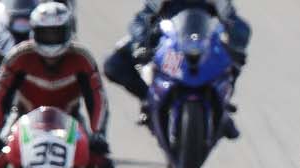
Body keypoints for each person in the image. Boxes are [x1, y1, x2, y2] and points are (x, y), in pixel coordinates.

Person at [0, 1, 112, 168]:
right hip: (22, 119)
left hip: (70, 120)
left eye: (57, 33)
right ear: (33, 31)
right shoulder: (19, 56)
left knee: (100, 162)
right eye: (46, 33)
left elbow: (98, 98)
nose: (52, 40)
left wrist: (98, 134)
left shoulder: (82, 58)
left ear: (69, 32)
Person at [103, 0, 248, 136]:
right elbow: (141, 20)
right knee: (114, 65)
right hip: (172, 49)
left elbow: (237, 26)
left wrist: (236, 49)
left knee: (231, 63)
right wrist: (141, 44)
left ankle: (222, 109)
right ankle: (150, 100)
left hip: (205, 50)